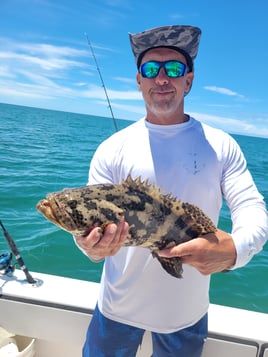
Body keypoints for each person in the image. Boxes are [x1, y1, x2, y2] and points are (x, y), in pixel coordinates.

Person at [75, 25, 268, 356]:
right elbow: (92, 236)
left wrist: (235, 249)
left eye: (174, 69)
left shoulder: (221, 145)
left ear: (188, 80)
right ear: (139, 81)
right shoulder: (111, 149)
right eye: (150, 69)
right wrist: (90, 247)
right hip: (115, 309)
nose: (161, 78)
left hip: (186, 315)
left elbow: (252, 208)